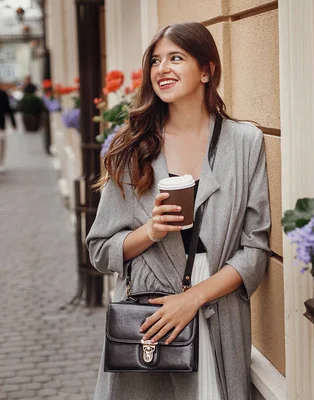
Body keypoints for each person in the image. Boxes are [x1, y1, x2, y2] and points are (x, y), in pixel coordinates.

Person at [86, 22, 271, 400]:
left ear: (207, 70)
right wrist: (151, 230)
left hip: (216, 305)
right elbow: (101, 250)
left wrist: (193, 298)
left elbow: (255, 249)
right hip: (150, 317)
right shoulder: (133, 146)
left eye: (175, 58)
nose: (162, 69)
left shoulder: (244, 142)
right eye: (155, 60)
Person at [0, 87, 17, 172]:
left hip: (1, 125)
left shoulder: (3, 94)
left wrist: (13, 123)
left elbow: (8, 109)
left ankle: (1, 162)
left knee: (1, 143)